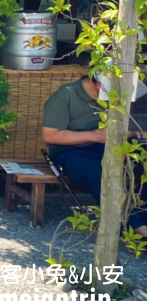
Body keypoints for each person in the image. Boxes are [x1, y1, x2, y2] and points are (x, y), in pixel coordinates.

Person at [42, 71, 147, 236]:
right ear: (99, 84)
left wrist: (131, 135)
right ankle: (138, 227)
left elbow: (111, 131)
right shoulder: (65, 95)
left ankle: (143, 216)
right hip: (70, 151)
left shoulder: (111, 99)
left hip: (104, 146)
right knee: (95, 171)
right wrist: (93, 135)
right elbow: (50, 135)